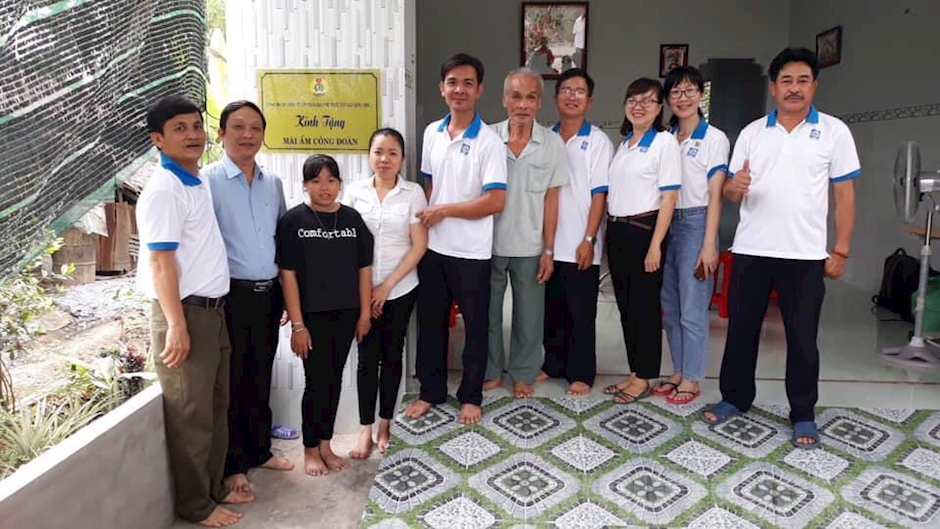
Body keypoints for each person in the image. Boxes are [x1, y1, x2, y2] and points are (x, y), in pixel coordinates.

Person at [702, 48, 859, 450]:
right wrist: (734, 187)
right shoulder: (753, 133)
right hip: (751, 249)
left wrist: (840, 249)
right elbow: (732, 191)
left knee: (802, 338)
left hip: (805, 255)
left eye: (802, 80)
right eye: (786, 81)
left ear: (814, 86)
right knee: (741, 331)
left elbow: (844, 195)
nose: (794, 88)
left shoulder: (835, 132)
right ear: (773, 88)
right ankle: (735, 397)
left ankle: (803, 412)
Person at [136, 95, 251, 527]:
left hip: (212, 312)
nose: (192, 135)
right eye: (179, 129)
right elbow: (160, 262)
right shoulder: (164, 190)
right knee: (191, 415)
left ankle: (214, 487)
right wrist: (177, 325)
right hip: (185, 313)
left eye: (196, 126)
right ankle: (196, 505)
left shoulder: (195, 180)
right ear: (158, 139)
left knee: (215, 407)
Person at [405, 53, 507, 424]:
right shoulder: (432, 132)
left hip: (471, 252)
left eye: (467, 83)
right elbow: (430, 184)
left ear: (479, 90)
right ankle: (431, 391)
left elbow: (495, 201)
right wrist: (429, 221)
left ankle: (470, 396)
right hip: (433, 248)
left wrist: (445, 211)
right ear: (442, 88)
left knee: (476, 327)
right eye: (452, 82)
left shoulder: (489, 142)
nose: (459, 89)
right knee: (431, 324)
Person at [204, 101, 293, 497]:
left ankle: (260, 449)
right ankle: (234, 466)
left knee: (261, 374)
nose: (247, 135)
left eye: (255, 127)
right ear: (221, 134)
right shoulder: (206, 181)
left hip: (268, 295)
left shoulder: (273, 183)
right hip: (231, 297)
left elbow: (282, 240)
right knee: (233, 381)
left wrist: (287, 295)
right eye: (238, 127)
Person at [276, 155, 373, 475]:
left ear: (340, 184)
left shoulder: (352, 220)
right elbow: (288, 275)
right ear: (304, 184)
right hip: (311, 318)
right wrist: (298, 325)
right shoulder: (293, 222)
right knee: (316, 382)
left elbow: (364, 270)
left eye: (331, 180)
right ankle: (310, 449)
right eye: (316, 180)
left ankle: (326, 445)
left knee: (332, 381)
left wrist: (364, 314)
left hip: (346, 314)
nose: (324, 187)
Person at [483, 68, 568, 399]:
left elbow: (552, 199)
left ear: (539, 102)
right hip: (488, 243)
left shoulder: (552, 143)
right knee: (487, 313)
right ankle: (491, 370)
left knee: (529, 318)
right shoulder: (487, 137)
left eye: (531, 97)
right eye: (516, 96)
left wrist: (549, 249)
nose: (523, 104)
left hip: (530, 246)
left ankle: (523, 373)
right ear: (504, 99)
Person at [342, 128, 428, 458]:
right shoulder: (355, 193)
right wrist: (367, 291)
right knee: (366, 358)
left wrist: (386, 286)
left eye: (392, 153)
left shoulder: (413, 193)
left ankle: (385, 423)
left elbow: (419, 245)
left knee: (392, 356)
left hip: (400, 288)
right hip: (361, 290)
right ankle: (364, 428)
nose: (384, 159)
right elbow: (346, 244)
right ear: (369, 156)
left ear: (402, 159)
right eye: (378, 152)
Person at [603, 78, 681, 404]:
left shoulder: (664, 142)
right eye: (633, 100)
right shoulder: (625, 145)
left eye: (648, 100)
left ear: (659, 107)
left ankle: (646, 377)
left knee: (645, 309)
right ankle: (635, 372)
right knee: (626, 307)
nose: (639, 106)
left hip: (645, 231)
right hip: (618, 231)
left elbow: (669, 197)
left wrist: (655, 245)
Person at [654, 67, 729, 405]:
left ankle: (693, 377)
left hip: (696, 224)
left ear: (701, 94)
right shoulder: (666, 136)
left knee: (692, 307)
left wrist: (708, 243)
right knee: (670, 306)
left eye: (689, 91)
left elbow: (716, 195)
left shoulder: (714, 138)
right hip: (666, 222)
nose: (682, 98)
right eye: (675, 92)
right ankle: (679, 370)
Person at [540, 68, 612, 396]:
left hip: (582, 242)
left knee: (581, 312)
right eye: (566, 90)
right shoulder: (546, 137)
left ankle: (581, 372)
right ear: (556, 98)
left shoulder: (597, 141)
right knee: (552, 309)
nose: (572, 96)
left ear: (590, 101)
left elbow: (600, 194)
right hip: (549, 243)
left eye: (579, 91)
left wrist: (589, 238)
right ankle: (553, 363)